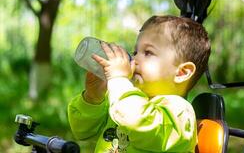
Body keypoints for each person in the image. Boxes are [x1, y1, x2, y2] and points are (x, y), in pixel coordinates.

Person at [68, 15, 211, 153]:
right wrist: (93, 98)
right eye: (135, 52)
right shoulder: (127, 102)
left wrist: (119, 79)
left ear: (182, 73)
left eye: (148, 53)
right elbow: (83, 132)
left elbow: (138, 121)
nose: (134, 60)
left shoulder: (179, 113)